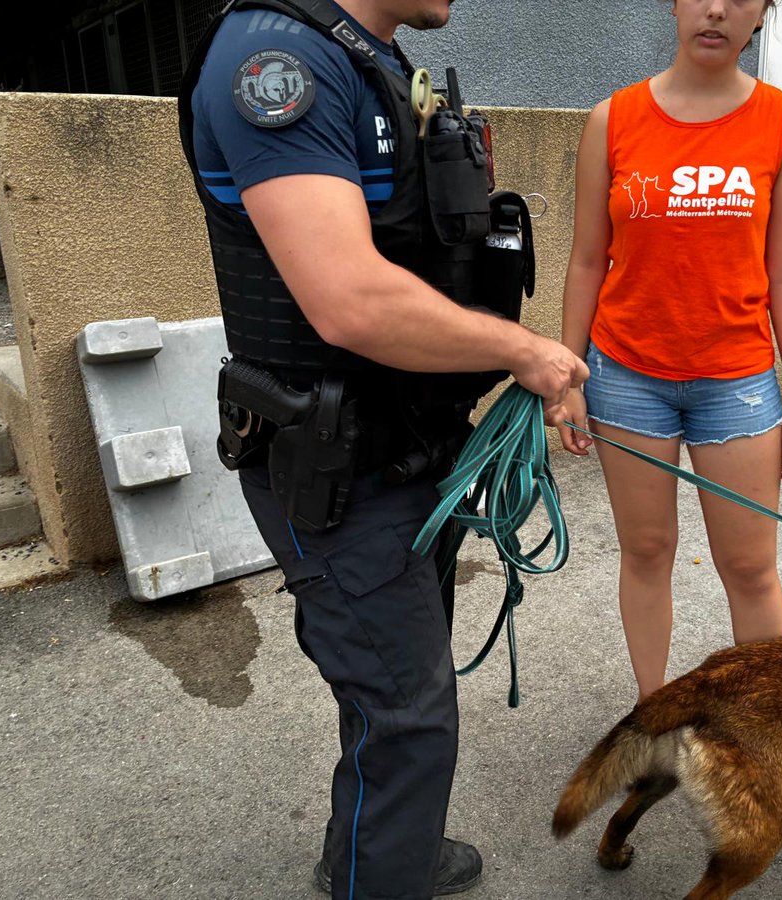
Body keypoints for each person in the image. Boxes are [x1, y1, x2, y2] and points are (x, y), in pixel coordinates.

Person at [178, 1, 587, 898]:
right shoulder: (274, 63)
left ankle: (373, 852)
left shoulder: (371, 62)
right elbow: (350, 301)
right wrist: (525, 352)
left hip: (406, 445)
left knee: (394, 694)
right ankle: (383, 871)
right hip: (337, 463)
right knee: (407, 715)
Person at [558, 0, 782, 714]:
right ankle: (657, 716)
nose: (716, 10)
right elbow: (586, 260)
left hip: (736, 383)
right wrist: (569, 376)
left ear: (762, 15)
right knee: (646, 552)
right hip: (625, 376)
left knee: (751, 568)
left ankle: (764, 741)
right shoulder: (612, 120)